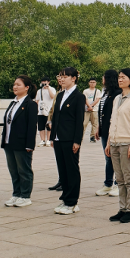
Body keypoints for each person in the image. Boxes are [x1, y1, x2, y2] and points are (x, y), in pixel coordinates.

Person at [105, 69, 130, 223]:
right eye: (119, 77)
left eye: (123, 77)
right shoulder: (117, 98)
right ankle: (122, 209)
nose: (120, 80)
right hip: (115, 142)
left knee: (129, 178)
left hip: (128, 143)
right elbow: (112, 121)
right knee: (120, 179)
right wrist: (109, 142)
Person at [51, 67, 86, 215]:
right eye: (60, 76)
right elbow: (55, 117)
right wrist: (52, 136)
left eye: (65, 76)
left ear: (74, 78)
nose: (62, 79)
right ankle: (65, 198)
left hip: (70, 138)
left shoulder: (79, 96)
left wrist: (77, 140)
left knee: (71, 170)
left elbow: (79, 120)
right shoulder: (60, 95)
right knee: (63, 170)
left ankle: (72, 201)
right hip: (58, 138)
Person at [2, 75, 38, 207]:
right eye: (14, 84)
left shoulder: (30, 104)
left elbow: (32, 126)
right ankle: (16, 194)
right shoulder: (13, 103)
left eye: (18, 84)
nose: (15, 87)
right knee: (13, 170)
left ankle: (25, 196)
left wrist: (30, 145)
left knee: (24, 170)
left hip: (22, 143)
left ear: (27, 87)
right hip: (9, 142)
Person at [95, 70, 120, 197]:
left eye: (104, 77)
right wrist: (98, 127)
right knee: (108, 157)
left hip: (114, 131)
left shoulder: (118, 93)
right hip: (104, 129)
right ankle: (108, 184)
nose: (102, 79)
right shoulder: (105, 92)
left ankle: (118, 184)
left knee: (115, 157)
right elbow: (101, 112)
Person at [35, 76, 56, 147]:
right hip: (41, 111)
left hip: (49, 110)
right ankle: (42, 140)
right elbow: (37, 100)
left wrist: (48, 88)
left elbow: (52, 96)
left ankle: (48, 140)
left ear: (48, 82)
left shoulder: (52, 89)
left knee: (49, 126)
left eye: (45, 81)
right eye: (43, 82)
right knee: (41, 126)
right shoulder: (39, 91)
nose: (44, 83)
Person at [83, 78, 102, 143]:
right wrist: (89, 106)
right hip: (87, 109)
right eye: (91, 82)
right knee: (84, 123)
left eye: (93, 82)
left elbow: (97, 99)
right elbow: (85, 99)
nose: (92, 83)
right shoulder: (85, 91)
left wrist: (92, 106)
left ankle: (92, 136)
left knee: (94, 124)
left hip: (95, 109)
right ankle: (81, 136)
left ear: (96, 83)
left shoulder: (98, 91)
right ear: (89, 83)